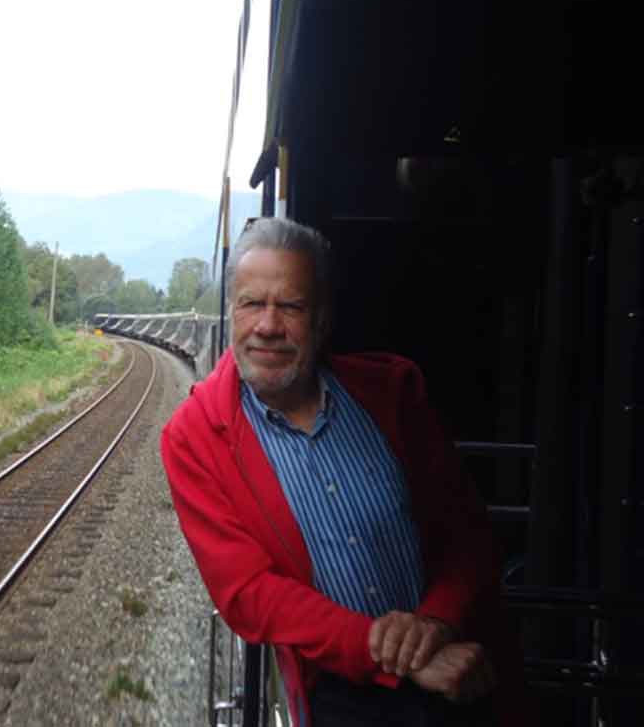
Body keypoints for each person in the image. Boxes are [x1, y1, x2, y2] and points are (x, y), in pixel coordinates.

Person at [161, 217, 525, 726]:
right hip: (339, 695)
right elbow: (247, 591)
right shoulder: (194, 435)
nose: (267, 325)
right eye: (251, 304)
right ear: (231, 312)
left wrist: (438, 621)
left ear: (323, 318)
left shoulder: (392, 392)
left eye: (291, 305)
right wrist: (385, 649)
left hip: (458, 666)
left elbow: (466, 531)